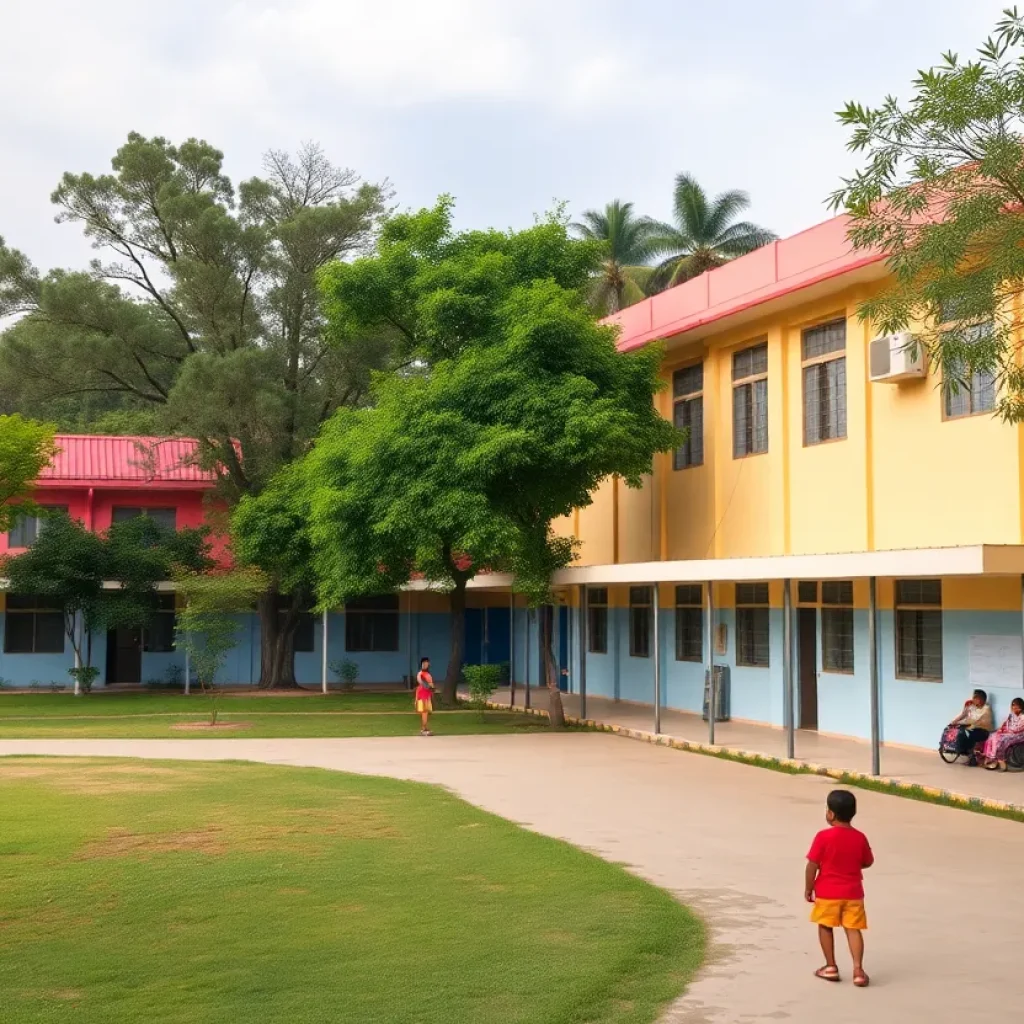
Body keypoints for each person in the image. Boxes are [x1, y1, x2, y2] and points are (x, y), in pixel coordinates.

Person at [805, 789, 874, 988]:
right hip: (853, 894)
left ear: (831, 814)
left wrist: (808, 888)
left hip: (827, 893)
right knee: (853, 929)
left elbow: (812, 865)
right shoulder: (860, 837)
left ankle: (831, 967)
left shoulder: (823, 837)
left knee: (825, 926)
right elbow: (867, 861)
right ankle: (858, 971)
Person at [949, 689, 994, 766]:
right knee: (959, 731)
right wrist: (954, 721)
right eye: (973, 698)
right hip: (972, 728)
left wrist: (961, 722)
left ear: (981, 700)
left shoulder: (986, 709)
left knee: (965, 733)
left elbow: (974, 721)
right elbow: (963, 714)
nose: (973, 700)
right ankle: (963, 751)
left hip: (982, 731)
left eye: (976, 698)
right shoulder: (972, 706)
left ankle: (963, 751)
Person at [980, 697, 1024, 771]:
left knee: (1002, 739)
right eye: (1013, 705)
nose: (1014, 707)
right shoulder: (1011, 715)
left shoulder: (1023, 716)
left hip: (1019, 735)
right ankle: (992, 759)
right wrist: (1000, 730)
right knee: (992, 736)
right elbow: (1005, 724)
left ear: (1021, 706)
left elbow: (1019, 729)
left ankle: (1001, 761)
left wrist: (1007, 731)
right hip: (1009, 732)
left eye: (1017, 705)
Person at [415, 657, 435, 737]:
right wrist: (430, 686)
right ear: (422, 664)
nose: (426, 665)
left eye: (427, 663)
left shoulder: (428, 674)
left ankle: (425, 728)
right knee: (424, 712)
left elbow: (430, 685)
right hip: (422, 695)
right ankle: (423, 729)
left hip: (427, 695)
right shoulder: (420, 674)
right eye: (424, 663)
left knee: (426, 712)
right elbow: (423, 683)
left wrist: (432, 688)